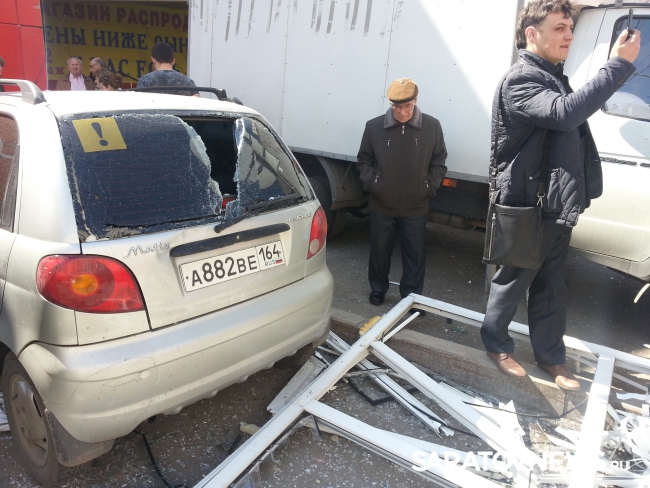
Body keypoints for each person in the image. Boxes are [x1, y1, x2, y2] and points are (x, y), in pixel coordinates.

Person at [482, 0, 640, 390]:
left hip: (554, 203)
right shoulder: (521, 80)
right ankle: (496, 343)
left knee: (552, 286)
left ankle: (551, 357)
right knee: (513, 281)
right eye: (560, 28)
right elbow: (565, 114)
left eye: (570, 28)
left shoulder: (553, 76)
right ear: (532, 34)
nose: (569, 35)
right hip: (528, 204)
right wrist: (618, 65)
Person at [357, 78, 447, 312]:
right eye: (397, 107)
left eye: (407, 106)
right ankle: (378, 289)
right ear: (391, 105)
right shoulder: (374, 126)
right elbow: (364, 159)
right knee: (379, 252)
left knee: (415, 255)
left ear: (415, 101)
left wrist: (428, 187)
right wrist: (374, 184)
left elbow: (439, 161)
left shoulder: (432, 126)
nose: (402, 112)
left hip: (416, 205)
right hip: (381, 203)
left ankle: (412, 298)